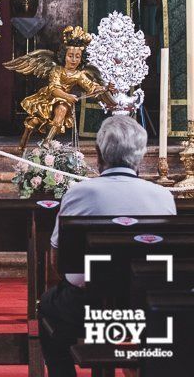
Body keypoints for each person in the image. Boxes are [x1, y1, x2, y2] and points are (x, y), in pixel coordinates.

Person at [40, 115, 177, 377]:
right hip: (146, 309)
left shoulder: (79, 193)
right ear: (140, 156)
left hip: (85, 309)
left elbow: (58, 260)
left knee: (47, 307)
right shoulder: (163, 197)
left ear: (99, 154)